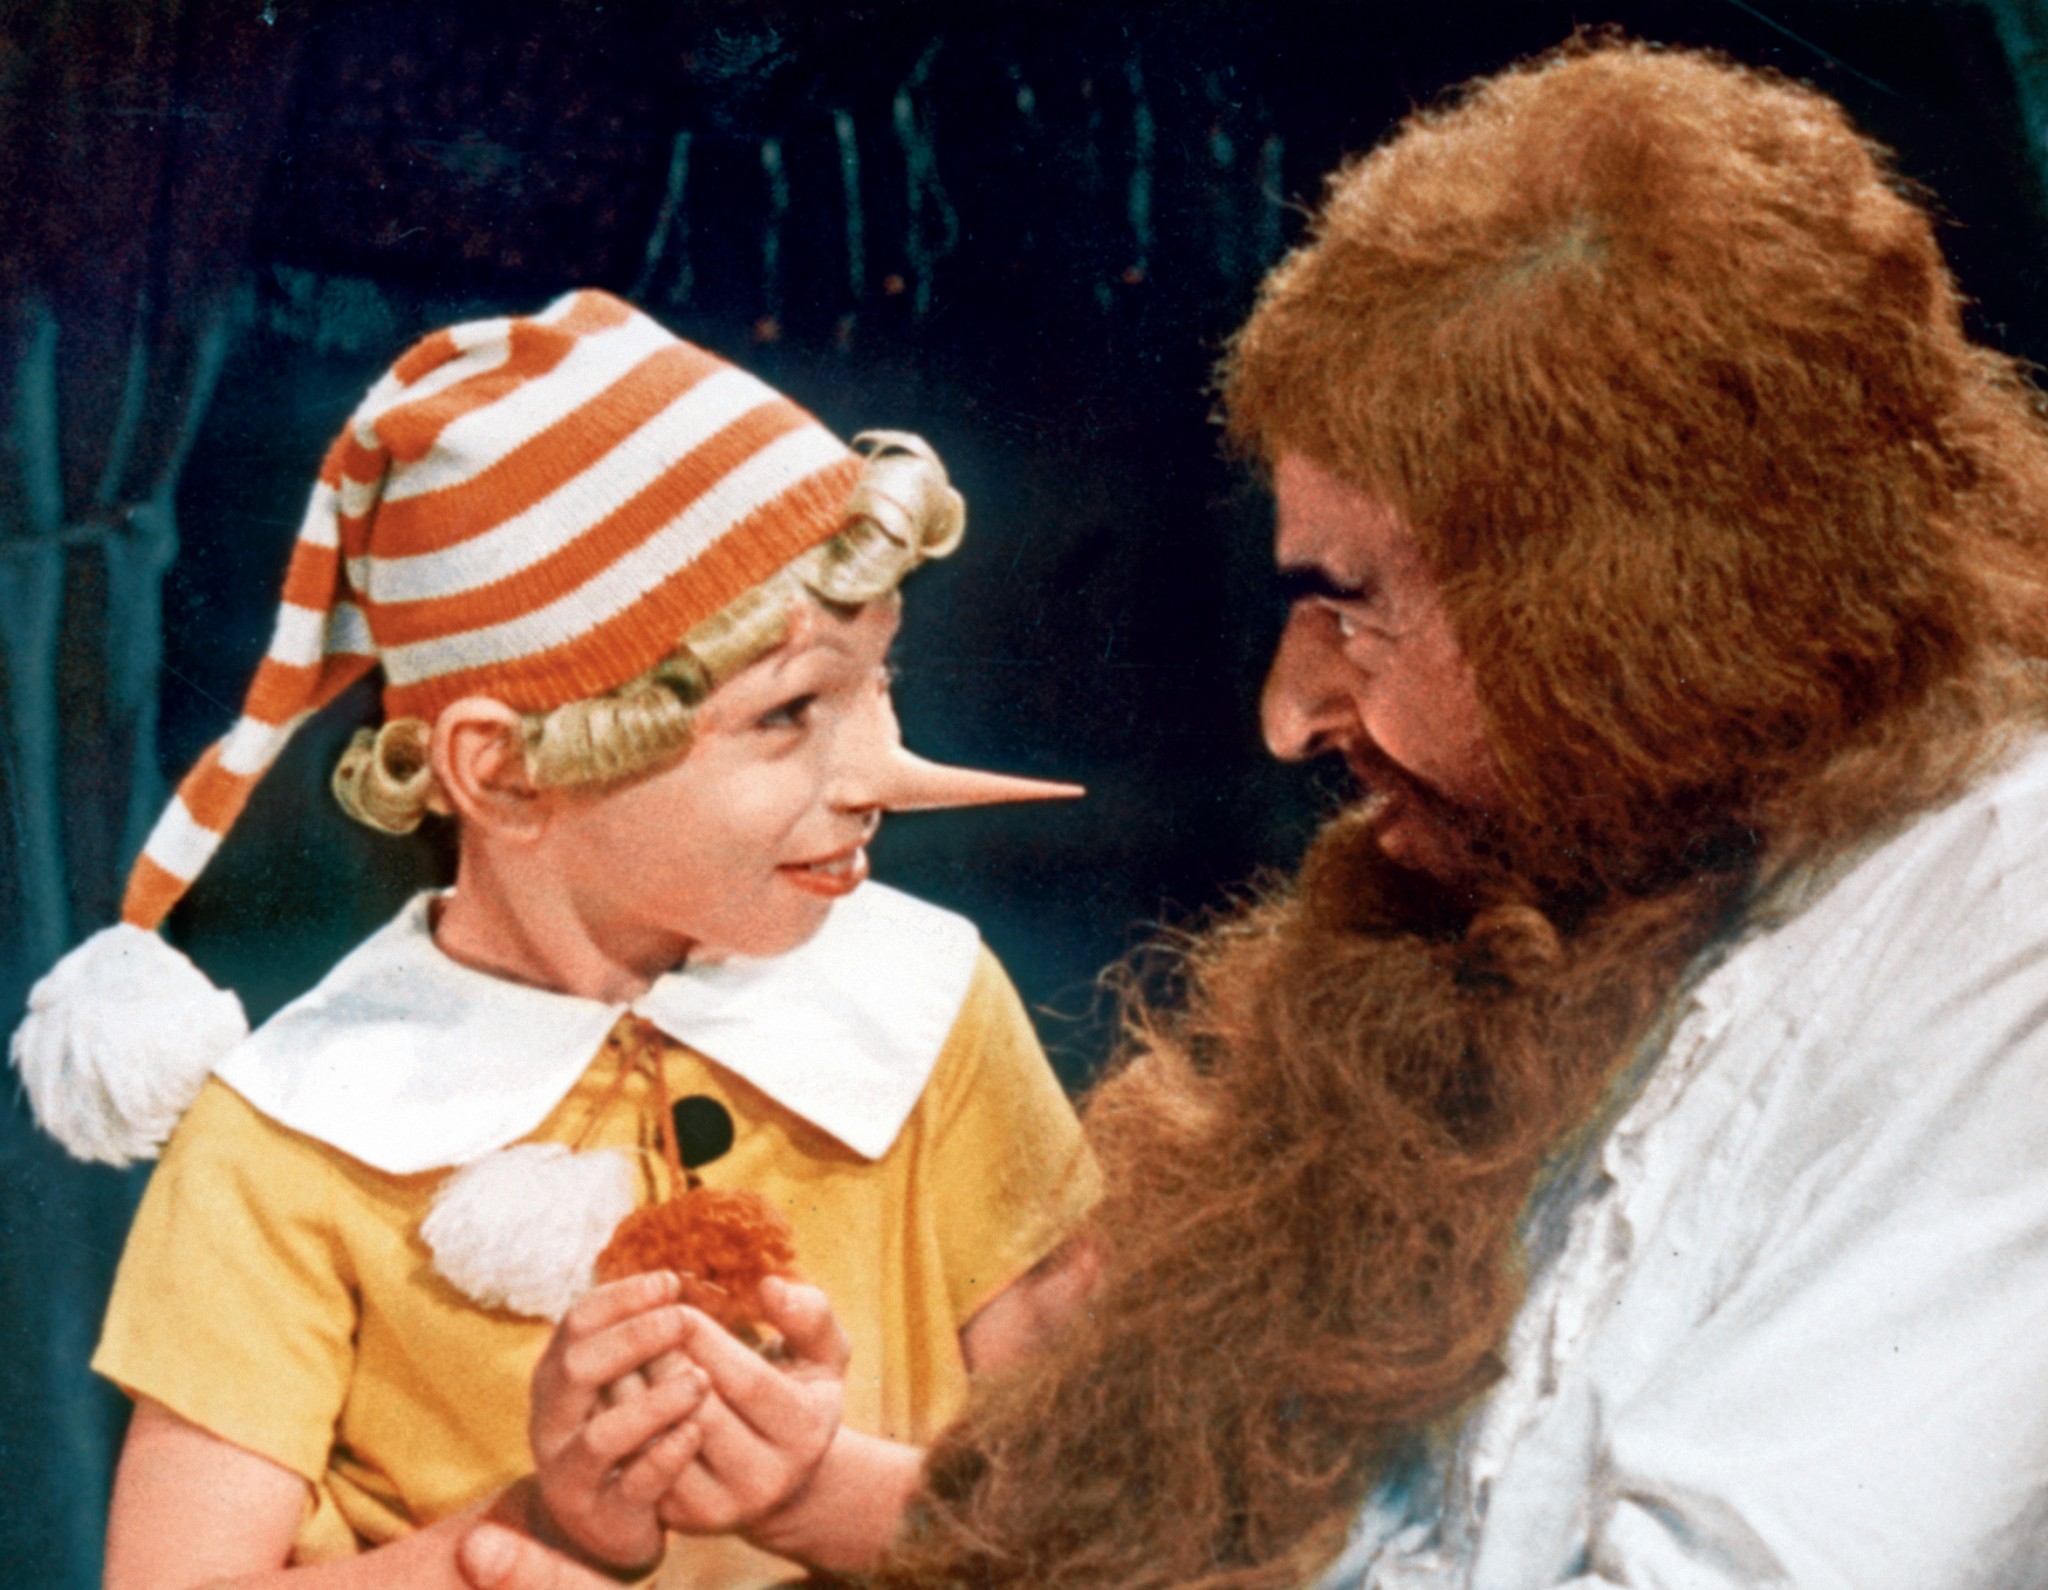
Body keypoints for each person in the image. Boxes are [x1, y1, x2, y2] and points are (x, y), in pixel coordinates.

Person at [466, 37, 2048, 1590]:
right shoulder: (1638, 868)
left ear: (1639, 610)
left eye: (1353, 607)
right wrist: (831, 1497)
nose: (1292, 715)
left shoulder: (2003, 939)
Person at [10, 288, 1099, 1588]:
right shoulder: (284, 1139)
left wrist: (823, 1497)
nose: (879, 772)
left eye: (882, 682)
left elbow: (1115, 1522)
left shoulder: (928, 1003)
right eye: (788, 711)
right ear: (507, 773)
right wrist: (537, 1533)